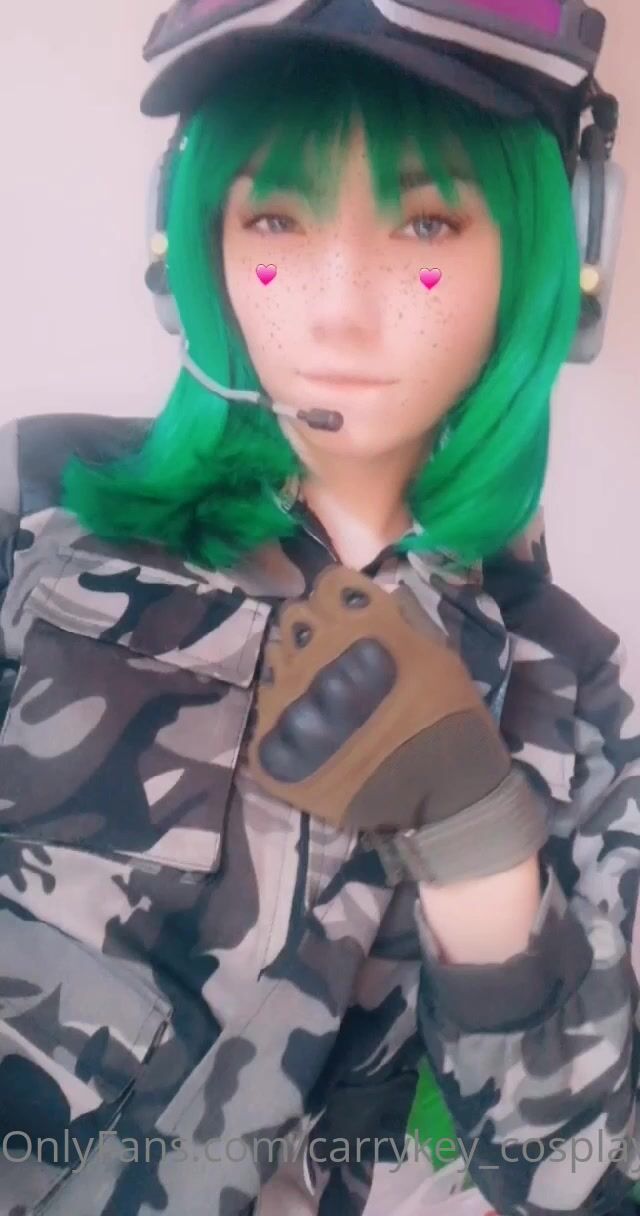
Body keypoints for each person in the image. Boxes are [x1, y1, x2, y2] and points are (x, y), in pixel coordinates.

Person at [0, 2, 637, 1214]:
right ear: (190, 241)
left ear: (556, 253)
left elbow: (579, 1180)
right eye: (277, 220)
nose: (338, 308)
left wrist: (479, 843)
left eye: (427, 225)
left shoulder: (570, 692)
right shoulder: (38, 511)